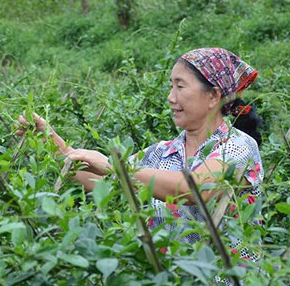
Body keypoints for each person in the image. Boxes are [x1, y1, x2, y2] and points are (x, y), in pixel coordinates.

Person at [16, 47, 264, 271]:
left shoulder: (238, 146)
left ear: (212, 96)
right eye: (171, 86)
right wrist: (50, 142)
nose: (170, 97)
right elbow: (100, 182)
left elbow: (195, 189)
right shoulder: (162, 152)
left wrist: (115, 167)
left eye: (180, 86)